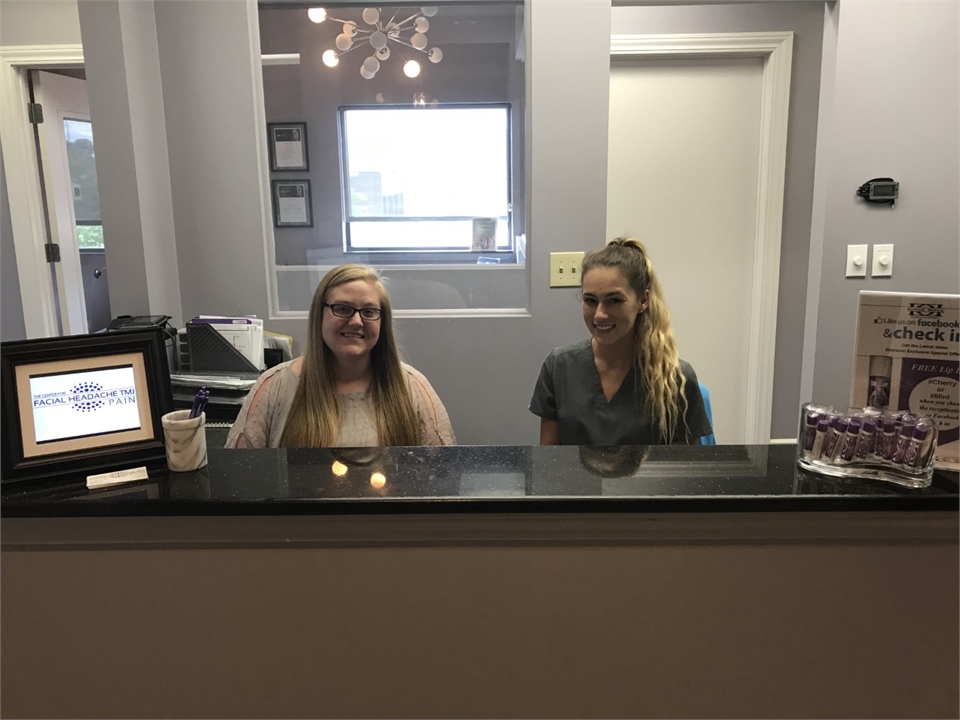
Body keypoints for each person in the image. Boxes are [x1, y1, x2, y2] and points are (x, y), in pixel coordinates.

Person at [225, 264, 455, 448]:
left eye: (368, 311)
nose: (356, 321)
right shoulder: (273, 387)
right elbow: (240, 480)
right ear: (320, 314)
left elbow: (442, 480)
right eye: (343, 308)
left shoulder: (413, 388)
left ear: (381, 320)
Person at [530, 237, 712, 445]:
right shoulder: (559, 368)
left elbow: (683, 472)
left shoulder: (676, 379)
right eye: (590, 300)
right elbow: (549, 464)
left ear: (643, 300)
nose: (599, 314)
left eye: (614, 300)